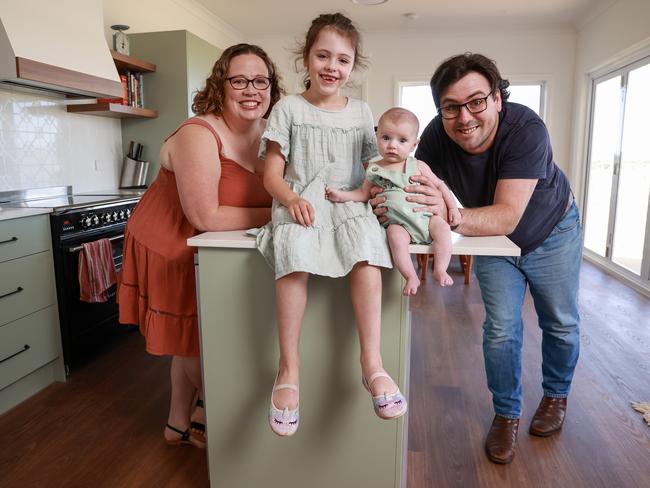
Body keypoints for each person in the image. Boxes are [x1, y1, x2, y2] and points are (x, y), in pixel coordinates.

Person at [386, 53, 583, 464]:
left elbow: (507, 214)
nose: (464, 117)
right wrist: (385, 198)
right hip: (494, 243)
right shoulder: (436, 137)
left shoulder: (527, 128)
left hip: (552, 231)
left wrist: (446, 215)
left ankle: (555, 395)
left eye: (476, 101)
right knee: (501, 330)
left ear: (497, 98)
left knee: (560, 322)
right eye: (451, 107)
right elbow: (407, 184)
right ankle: (506, 414)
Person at [118, 44, 284, 448]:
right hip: (170, 242)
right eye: (239, 80)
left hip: (211, 245)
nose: (251, 90)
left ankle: (177, 421)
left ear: (271, 88)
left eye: (260, 81)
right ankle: (211, 409)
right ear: (220, 85)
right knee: (195, 336)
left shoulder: (269, 135)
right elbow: (206, 216)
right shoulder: (199, 133)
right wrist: (285, 212)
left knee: (189, 335)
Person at [255, 13, 407, 437]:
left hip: (347, 201)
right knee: (293, 256)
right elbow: (271, 175)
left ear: (353, 65)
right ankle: (288, 369)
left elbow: (368, 168)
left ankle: (371, 364)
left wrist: (383, 193)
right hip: (300, 199)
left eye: (342, 60)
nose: (332, 67)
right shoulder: (287, 107)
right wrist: (290, 199)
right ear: (306, 57)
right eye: (323, 55)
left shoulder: (361, 111)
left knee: (366, 253)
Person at [325, 107, 461, 293]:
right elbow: (363, 193)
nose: (392, 145)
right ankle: (410, 276)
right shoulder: (374, 168)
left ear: (414, 144)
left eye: (402, 140)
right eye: (386, 138)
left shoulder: (418, 165)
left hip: (427, 219)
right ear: (377, 137)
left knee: (444, 229)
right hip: (399, 224)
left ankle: (440, 269)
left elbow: (441, 185)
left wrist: (452, 208)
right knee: (395, 237)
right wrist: (341, 195)